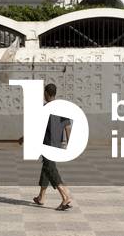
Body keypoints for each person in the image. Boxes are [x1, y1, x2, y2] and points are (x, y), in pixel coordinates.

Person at [32, 83, 73, 211]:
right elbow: (67, 127)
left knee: (51, 170)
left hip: (47, 144)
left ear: (47, 94)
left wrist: (24, 138)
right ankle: (41, 197)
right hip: (57, 145)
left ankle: (65, 196)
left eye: (44, 93)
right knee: (46, 168)